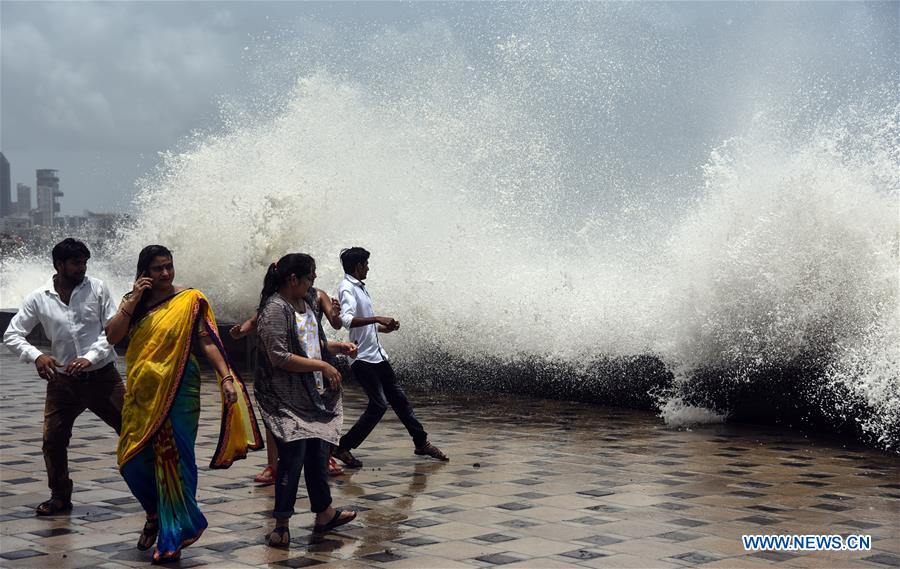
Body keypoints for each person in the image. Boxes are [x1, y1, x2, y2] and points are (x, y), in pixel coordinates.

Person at [105, 245, 262, 564]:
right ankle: (157, 513)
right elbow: (112, 336)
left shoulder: (190, 300)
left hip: (180, 388)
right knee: (130, 462)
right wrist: (131, 300)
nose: (165, 273)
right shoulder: (133, 303)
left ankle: (175, 533)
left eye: (169, 266)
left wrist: (226, 377)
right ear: (145, 272)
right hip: (142, 393)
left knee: (176, 458)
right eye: (158, 268)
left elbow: (207, 340)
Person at [3, 238, 124, 516]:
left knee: (131, 430)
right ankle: (60, 497)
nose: (82, 268)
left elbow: (112, 332)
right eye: (76, 263)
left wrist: (89, 358)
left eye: (84, 263)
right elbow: (12, 334)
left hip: (103, 377)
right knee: (53, 439)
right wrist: (37, 356)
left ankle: (155, 490)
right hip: (63, 382)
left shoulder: (97, 288)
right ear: (59, 265)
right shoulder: (38, 297)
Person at [254, 253, 358, 547]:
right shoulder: (275, 309)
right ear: (293, 279)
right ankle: (282, 525)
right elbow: (280, 357)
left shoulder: (306, 304)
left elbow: (313, 344)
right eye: (310, 278)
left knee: (317, 454)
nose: (314, 284)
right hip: (284, 397)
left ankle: (324, 513)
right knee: (292, 458)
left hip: (311, 394)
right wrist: (323, 366)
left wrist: (337, 349)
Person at [331, 247, 448, 468]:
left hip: (377, 356)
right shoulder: (347, 288)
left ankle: (421, 442)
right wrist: (377, 318)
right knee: (379, 404)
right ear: (357, 266)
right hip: (362, 359)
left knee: (400, 401)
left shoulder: (360, 287)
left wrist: (385, 328)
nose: (368, 267)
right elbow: (347, 320)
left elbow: (364, 328)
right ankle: (343, 446)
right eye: (365, 264)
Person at [230, 286, 346, 482]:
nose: (313, 278)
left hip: (314, 360)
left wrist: (336, 314)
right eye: (309, 274)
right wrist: (239, 332)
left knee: (321, 412)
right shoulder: (277, 301)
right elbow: (254, 323)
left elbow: (335, 324)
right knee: (275, 414)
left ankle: (325, 458)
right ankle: (274, 466)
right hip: (281, 368)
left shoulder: (317, 297)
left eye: (313, 274)